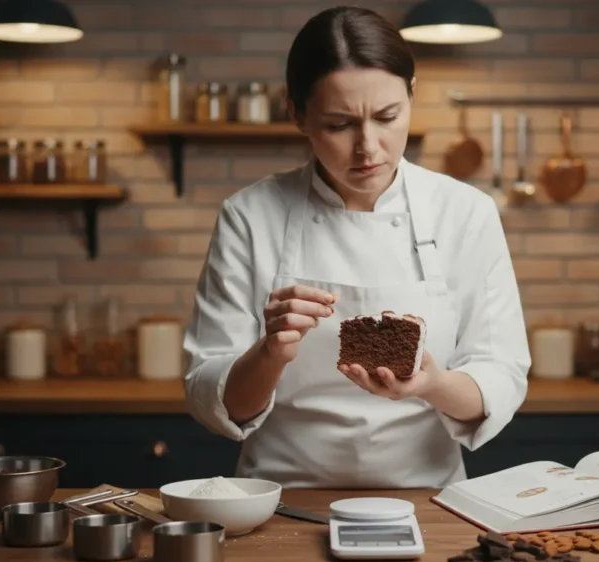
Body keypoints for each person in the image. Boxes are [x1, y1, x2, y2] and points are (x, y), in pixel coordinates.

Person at [183, 5, 530, 489]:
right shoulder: (248, 216)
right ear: (296, 113)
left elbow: (501, 377)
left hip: (430, 504)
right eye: (340, 124)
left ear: (412, 95)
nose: (370, 147)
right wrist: (270, 354)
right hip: (282, 503)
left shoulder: (466, 213)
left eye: (388, 116)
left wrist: (432, 384)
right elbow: (208, 396)